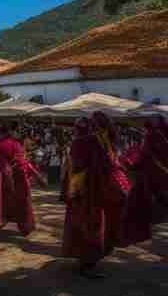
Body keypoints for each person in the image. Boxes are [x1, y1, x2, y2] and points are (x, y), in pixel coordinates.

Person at [62, 114, 131, 279]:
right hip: (91, 192)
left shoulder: (90, 142)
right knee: (93, 225)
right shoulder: (94, 142)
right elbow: (81, 168)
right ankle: (87, 264)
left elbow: (78, 168)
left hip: (94, 191)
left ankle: (87, 262)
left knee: (93, 224)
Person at [121, 115, 168, 246]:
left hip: (151, 175)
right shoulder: (157, 135)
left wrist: (132, 165)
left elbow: (148, 155)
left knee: (136, 202)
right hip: (155, 174)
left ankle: (133, 232)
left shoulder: (153, 136)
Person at [0, 127, 40, 236]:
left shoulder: (2, 145)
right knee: (24, 200)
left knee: (13, 201)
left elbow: (3, 165)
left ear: (2, 135)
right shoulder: (17, 144)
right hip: (23, 174)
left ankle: (24, 227)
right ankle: (28, 225)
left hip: (13, 175)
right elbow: (24, 160)